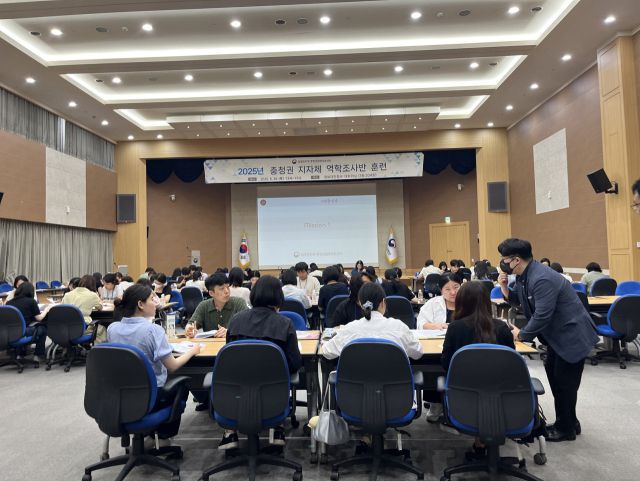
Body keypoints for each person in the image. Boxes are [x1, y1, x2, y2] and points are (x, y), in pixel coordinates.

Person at [498, 238, 599, 442]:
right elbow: (520, 301)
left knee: (564, 384)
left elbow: (542, 315)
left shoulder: (542, 278)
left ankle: (566, 429)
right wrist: (504, 287)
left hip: (571, 336)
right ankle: (569, 421)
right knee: (556, 378)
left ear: (516, 260)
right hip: (556, 337)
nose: (502, 263)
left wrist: (522, 335)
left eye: (504, 259)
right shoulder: (525, 275)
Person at [107, 284, 201, 446]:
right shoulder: (153, 330)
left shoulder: (112, 329)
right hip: (151, 396)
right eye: (152, 299)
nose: (157, 303)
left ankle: (146, 432)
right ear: (140, 304)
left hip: (120, 394)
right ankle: (164, 436)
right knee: (181, 385)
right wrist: (193, 351)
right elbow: (172, 366)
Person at [220, 276, 302, 450]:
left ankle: (230, 433)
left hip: (237, 397)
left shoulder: (235, 321)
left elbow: (229, 359)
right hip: (274, 397)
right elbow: (295, 363)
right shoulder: (285, 324)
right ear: (278, 297)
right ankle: (277, 427)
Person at [440, 281, 516, 453]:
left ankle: (480, 441)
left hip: (464, 395)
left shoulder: (455, 328)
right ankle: (484, 441)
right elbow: (512, 364)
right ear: (486, 301)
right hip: (500, 396)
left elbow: (446, 364)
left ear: (461, 302)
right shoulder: (502, 328)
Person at [323, 282, 423, 360]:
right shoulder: (399, 327)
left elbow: (327, 351)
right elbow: (418, 352)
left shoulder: (349, 329)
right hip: (394, 381)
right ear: (383, 302)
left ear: (360, 304)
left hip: (357, 381)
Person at [185, 273, 248, 339]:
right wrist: (189, 329)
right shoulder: (204, 306)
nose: (227, 291)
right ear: (211, 293)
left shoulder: (239, 303)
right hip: (211, 344)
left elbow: (248, 325)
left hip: (233, 343)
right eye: (222, 288)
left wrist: (229, 332)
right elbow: (191, 323)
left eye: (227, 287)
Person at [6, 282, 52, 362]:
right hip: (24, 331)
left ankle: (20, 354)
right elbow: (39, 318)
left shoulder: (9, 303)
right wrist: (46, 309)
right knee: (43, 328)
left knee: (25, 327)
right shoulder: (31, 301)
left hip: (10, 332)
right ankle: (38, 355)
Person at [61, 274, 104, 342]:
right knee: (102, 329)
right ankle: (97, 347)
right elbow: (100, 308)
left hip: (66, 327)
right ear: (93, 285)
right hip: (83, 326)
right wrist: (99, 299)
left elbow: (61, 308)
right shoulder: (93, 295)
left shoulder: (67, 294)